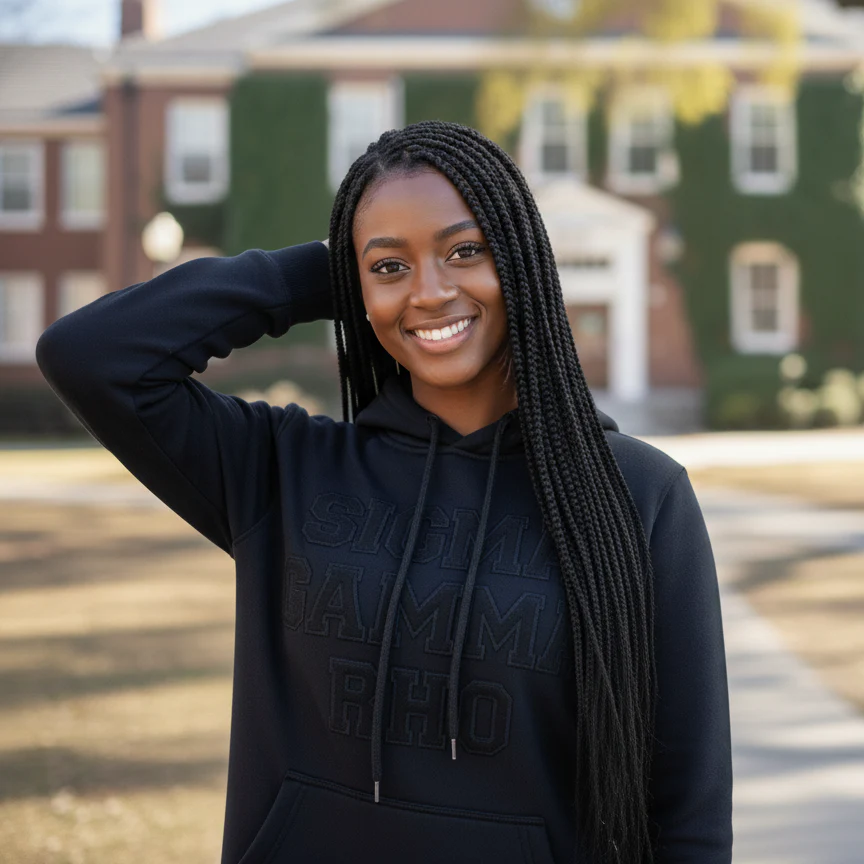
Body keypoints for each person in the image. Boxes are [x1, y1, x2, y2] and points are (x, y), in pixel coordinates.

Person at [36, 121, 733, 864]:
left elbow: (687, 813)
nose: (430, 292)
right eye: (391, 266)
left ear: (521, 259)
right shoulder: (282, 468)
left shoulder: (638, 496)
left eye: (465, 251)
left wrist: (385, 261)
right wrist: (328, 273)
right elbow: (90, 355)